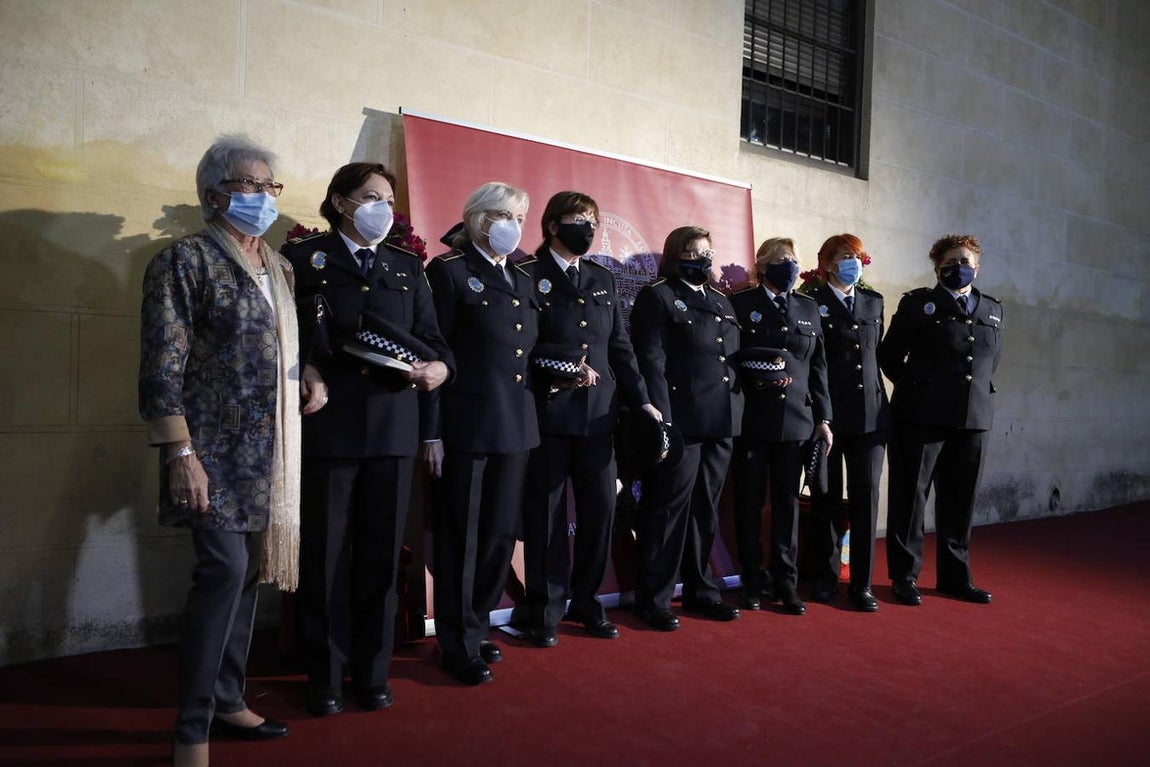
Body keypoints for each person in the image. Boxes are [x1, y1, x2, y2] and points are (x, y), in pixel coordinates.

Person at [139, 134, 304, 767]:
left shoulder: (279, 265)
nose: (263, 198)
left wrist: (308, 380)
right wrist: (180, 453)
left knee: (251, 574)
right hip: (209, 451)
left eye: (270, 187)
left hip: (273, 454)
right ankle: (191, 729)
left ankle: (231, 697)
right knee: (224, 573)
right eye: (250, 186)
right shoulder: (185, 261)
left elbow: (288, 348)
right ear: (214, 195)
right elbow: (162, 365)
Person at [282, 163, 452, 717]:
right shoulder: (304, 261)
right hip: (328, 429)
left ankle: (372, 672)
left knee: (380, 560)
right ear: (339, 201)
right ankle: (324, 675)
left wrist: (440, 371)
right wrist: (305, 367)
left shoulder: (407, 267)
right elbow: (284, 341)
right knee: (325, 558)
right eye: (370, 197)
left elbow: (435, 345)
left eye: (388, 198)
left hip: (392, 433)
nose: (382, 207)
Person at [517, 191, 661, 647]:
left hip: (600, 420)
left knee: (600, 511)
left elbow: (620, 347)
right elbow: (519, 349)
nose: (589, 227)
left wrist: (642, 401)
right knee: (547, 516)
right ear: (553, 225)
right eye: (579, 219)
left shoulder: (601, 278)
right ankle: (545, 608)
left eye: (594, 220)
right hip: (547, 416)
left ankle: (586, 602)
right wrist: (561, 367)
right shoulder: (526, 275)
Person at [425, 182, 540, 685]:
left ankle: (477, 625)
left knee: (497, 537)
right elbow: (433, 354)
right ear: (477, 217)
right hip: (466, 427)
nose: (512, 223)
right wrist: (432, 433)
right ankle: (456, 641)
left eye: (518, 214)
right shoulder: (449, 272)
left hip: (516, 426)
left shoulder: (521, 277)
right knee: (463, 539)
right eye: (502, 213)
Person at [878, 234, 1003, 606]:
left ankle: (955, 577)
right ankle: (905, 576)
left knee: (960, 500)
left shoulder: (993, 309)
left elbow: (989, 363)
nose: (958, 267)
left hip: (972, 418)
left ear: (977, 267)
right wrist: (919, 388)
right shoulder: (919, 305)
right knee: (911, 497)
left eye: (965, 261)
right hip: (920, 417)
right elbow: (889, 355)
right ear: (937, 267)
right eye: (950, 261)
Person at [629, 226, 743, 631]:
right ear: (678, 255)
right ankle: (655, 598)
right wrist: (662, 417)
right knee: (668, 510)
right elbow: (652, 360)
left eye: (709, 251)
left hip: (720, 421)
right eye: (695, 251)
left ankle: (702, 590)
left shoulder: (720, 301)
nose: (704, 258)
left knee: (704, 509)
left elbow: (730, 358)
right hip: (679, 420)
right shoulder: (657, 296)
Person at [729, 237, 832, 615]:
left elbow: (819, 367)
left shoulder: (808, 307)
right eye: (783, 259)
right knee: (750, 503)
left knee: (788, 505)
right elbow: (730, 360)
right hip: (752, 421)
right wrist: (757, 379)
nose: (790, 266)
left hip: (797, 423)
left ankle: (786, 582)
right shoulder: (740, 305)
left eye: (795, 259)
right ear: (763, 263)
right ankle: (753, 580)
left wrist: (824, 419)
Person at [806, 234, 889, 612]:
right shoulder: (811, 304)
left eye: (856, 256)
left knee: (865, 499)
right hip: (828, 417)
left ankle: (862, 583)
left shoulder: (874, 301)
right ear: (826, 263)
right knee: (825, 498)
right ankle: (824, 577)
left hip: (870, 418)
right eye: (844, 257)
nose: (852, 263)